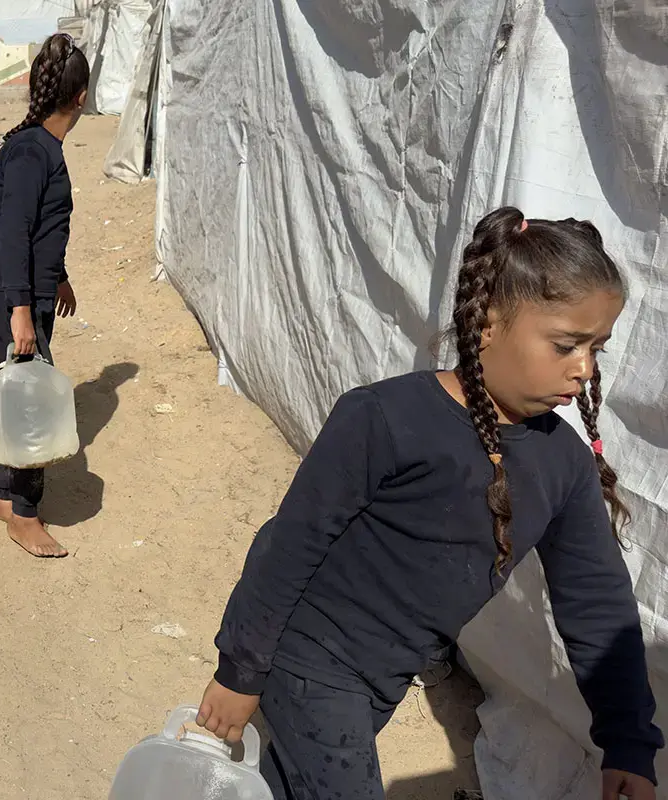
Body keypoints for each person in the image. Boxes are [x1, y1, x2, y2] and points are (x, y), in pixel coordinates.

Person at [196, 207, 662, 800]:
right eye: (566, 345)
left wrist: (628, 742)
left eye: (597, 348)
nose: (584, 370)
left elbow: (598, 604)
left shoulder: (563, 462)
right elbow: (289, 545)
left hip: (382, 678)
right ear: (489, 322)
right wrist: (240, 671)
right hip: (308, 657)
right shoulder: (384, 417)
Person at [0, 34, 90, 558]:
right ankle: (25, 515)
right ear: (81, 95)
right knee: (34, 405)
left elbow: (39, 230)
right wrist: (21, 310)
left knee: (14, 394)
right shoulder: (32, 152)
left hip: (20, 295)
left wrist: (56, 277)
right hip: (6, 299)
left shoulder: (36, 147)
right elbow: (12, 233)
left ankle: (3, 497)